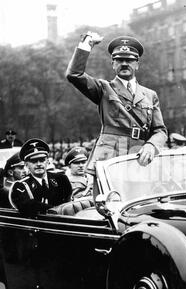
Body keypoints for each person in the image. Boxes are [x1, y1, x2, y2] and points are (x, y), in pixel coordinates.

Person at [66, 32, 167, 177]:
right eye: (119, 60)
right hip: (110, 158)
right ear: (113, 64)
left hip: (139, 158)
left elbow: (160, 131)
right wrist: (86, 45)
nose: (124, 64)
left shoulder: (150, 95)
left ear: (137, 64)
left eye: (129, 60)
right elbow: (74, 75)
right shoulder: (103, 88)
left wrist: (151, 146)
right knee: (109, 199)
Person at [9, 139, 72, 216]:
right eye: (34, 161)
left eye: (42, 160)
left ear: (47, 161)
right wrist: (54, 210)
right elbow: (27, 206)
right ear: (26, 164)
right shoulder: (21, 186)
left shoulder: (61, 179)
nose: (38, 164)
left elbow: (69, 204)